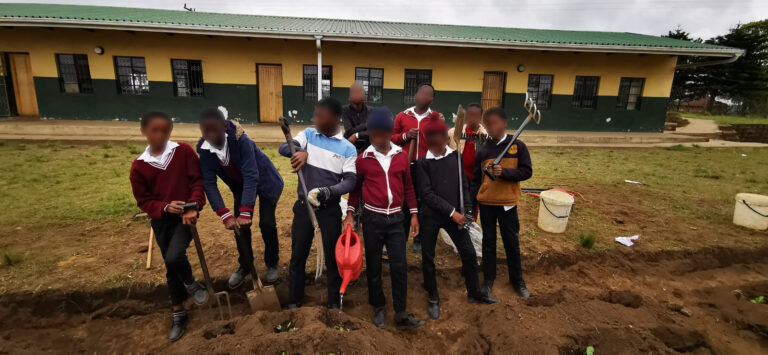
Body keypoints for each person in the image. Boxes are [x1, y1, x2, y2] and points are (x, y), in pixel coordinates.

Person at [129, 111, 209, 342]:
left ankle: (192, 285)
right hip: (161, 221)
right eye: (155, 130)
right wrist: (164, 207)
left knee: (174, 257)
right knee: (171, 268)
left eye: (165, 130)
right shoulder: (139, 166)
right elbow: (144, 201)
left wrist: (193, 206)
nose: (160, 135)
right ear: (144, 131)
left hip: (186, 217)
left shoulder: (182, 151)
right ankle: (179, 312)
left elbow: (197, 181)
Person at [344, 107, 424, 330]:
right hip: (373, 220)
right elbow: (355, 191)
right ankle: (378, 306)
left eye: (383, 135)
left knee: (400, 266)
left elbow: (408, 188)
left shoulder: (401, 157)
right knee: (374, 266)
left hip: (397, 220)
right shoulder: (363, 160)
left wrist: (414, 214)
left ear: (391, 133)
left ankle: (400, 312)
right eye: (374, 135)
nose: (378, 139)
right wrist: (350, 213)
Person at [415, 119, 498, 320]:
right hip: (432, 216)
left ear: (446, 139)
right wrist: (454, 213)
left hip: (457, 215)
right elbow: (427, 194)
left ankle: (474, 293)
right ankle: (433, 295)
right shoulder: (422, 163)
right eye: (431, 145)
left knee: (468, 254)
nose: (435, 149)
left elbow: (464, 186)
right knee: (428, 256)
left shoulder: (456, 158)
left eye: (439, 144)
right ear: (426, 142)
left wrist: (468, 209)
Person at [278, 97, 357, 309]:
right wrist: (299, 152)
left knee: (332, 258)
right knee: (298, 255)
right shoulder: (308, 135)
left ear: (336, 118)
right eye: (315, 114)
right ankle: (294, 300)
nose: (315, 118)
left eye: (320, 116)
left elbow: (350, 181)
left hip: (329, 209)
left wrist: (328, 192)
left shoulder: (347, 148)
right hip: (304, 207)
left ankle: (334, 302)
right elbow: (284, 147)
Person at [196, 108, 284, 288]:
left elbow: (251, 175)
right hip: (240, 186)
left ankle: (272, 263)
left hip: (266, 181)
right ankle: (245, 265)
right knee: (240, 228)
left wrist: (246, 211)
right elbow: (209, 183)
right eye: (206, 131)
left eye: (215, 129)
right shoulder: (203, 149)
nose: (211, 135)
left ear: (224, 126)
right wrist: (224, 214)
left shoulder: (240, 140)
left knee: (266, 223)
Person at [470, 107, 533, 299]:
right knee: (488, 243)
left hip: (508, 203)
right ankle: (489, 280)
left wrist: (504, 173)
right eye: (488, 124)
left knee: (511, 243)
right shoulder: (483, 150)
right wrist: (473, 204)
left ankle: (517, 280)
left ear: (504, 123)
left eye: (495, 123)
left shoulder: (517, 146)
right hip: (488, 203)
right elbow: (475, 180)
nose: (491, 128)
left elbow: (526, 171)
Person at [391, 83, 443, 253]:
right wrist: (405, 136)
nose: (423, 97)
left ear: (431, 99)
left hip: (426, 167)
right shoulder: (402, 116)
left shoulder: (435, 118)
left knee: (424, 203)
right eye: (421, 93)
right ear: (416, 95)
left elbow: (442, 143)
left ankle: (419, 239)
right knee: (404, 203)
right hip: (406, 166)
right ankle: (401, 236)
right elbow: (392, 138)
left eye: (427, 95)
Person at [449, 103, 488, 218]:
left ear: (481, 118)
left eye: (476, 115)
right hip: (459, 177)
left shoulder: (485, 136)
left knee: (472, 204)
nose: (473, 118)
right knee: (456, 202)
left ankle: (471, 225)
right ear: (465, 117)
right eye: (470, 115)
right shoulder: (453, 133)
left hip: (476, 179)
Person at [342, 82, 371, 154]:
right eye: (354, 92)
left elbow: (373, 132)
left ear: (365, 96)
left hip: (368, 147)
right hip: (349, 144)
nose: (356, 94)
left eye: (360, 92)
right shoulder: (344, 110)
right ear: (349, 97)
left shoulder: (372, 111)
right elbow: (349, 131)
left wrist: (357, 135)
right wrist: (367, 124)